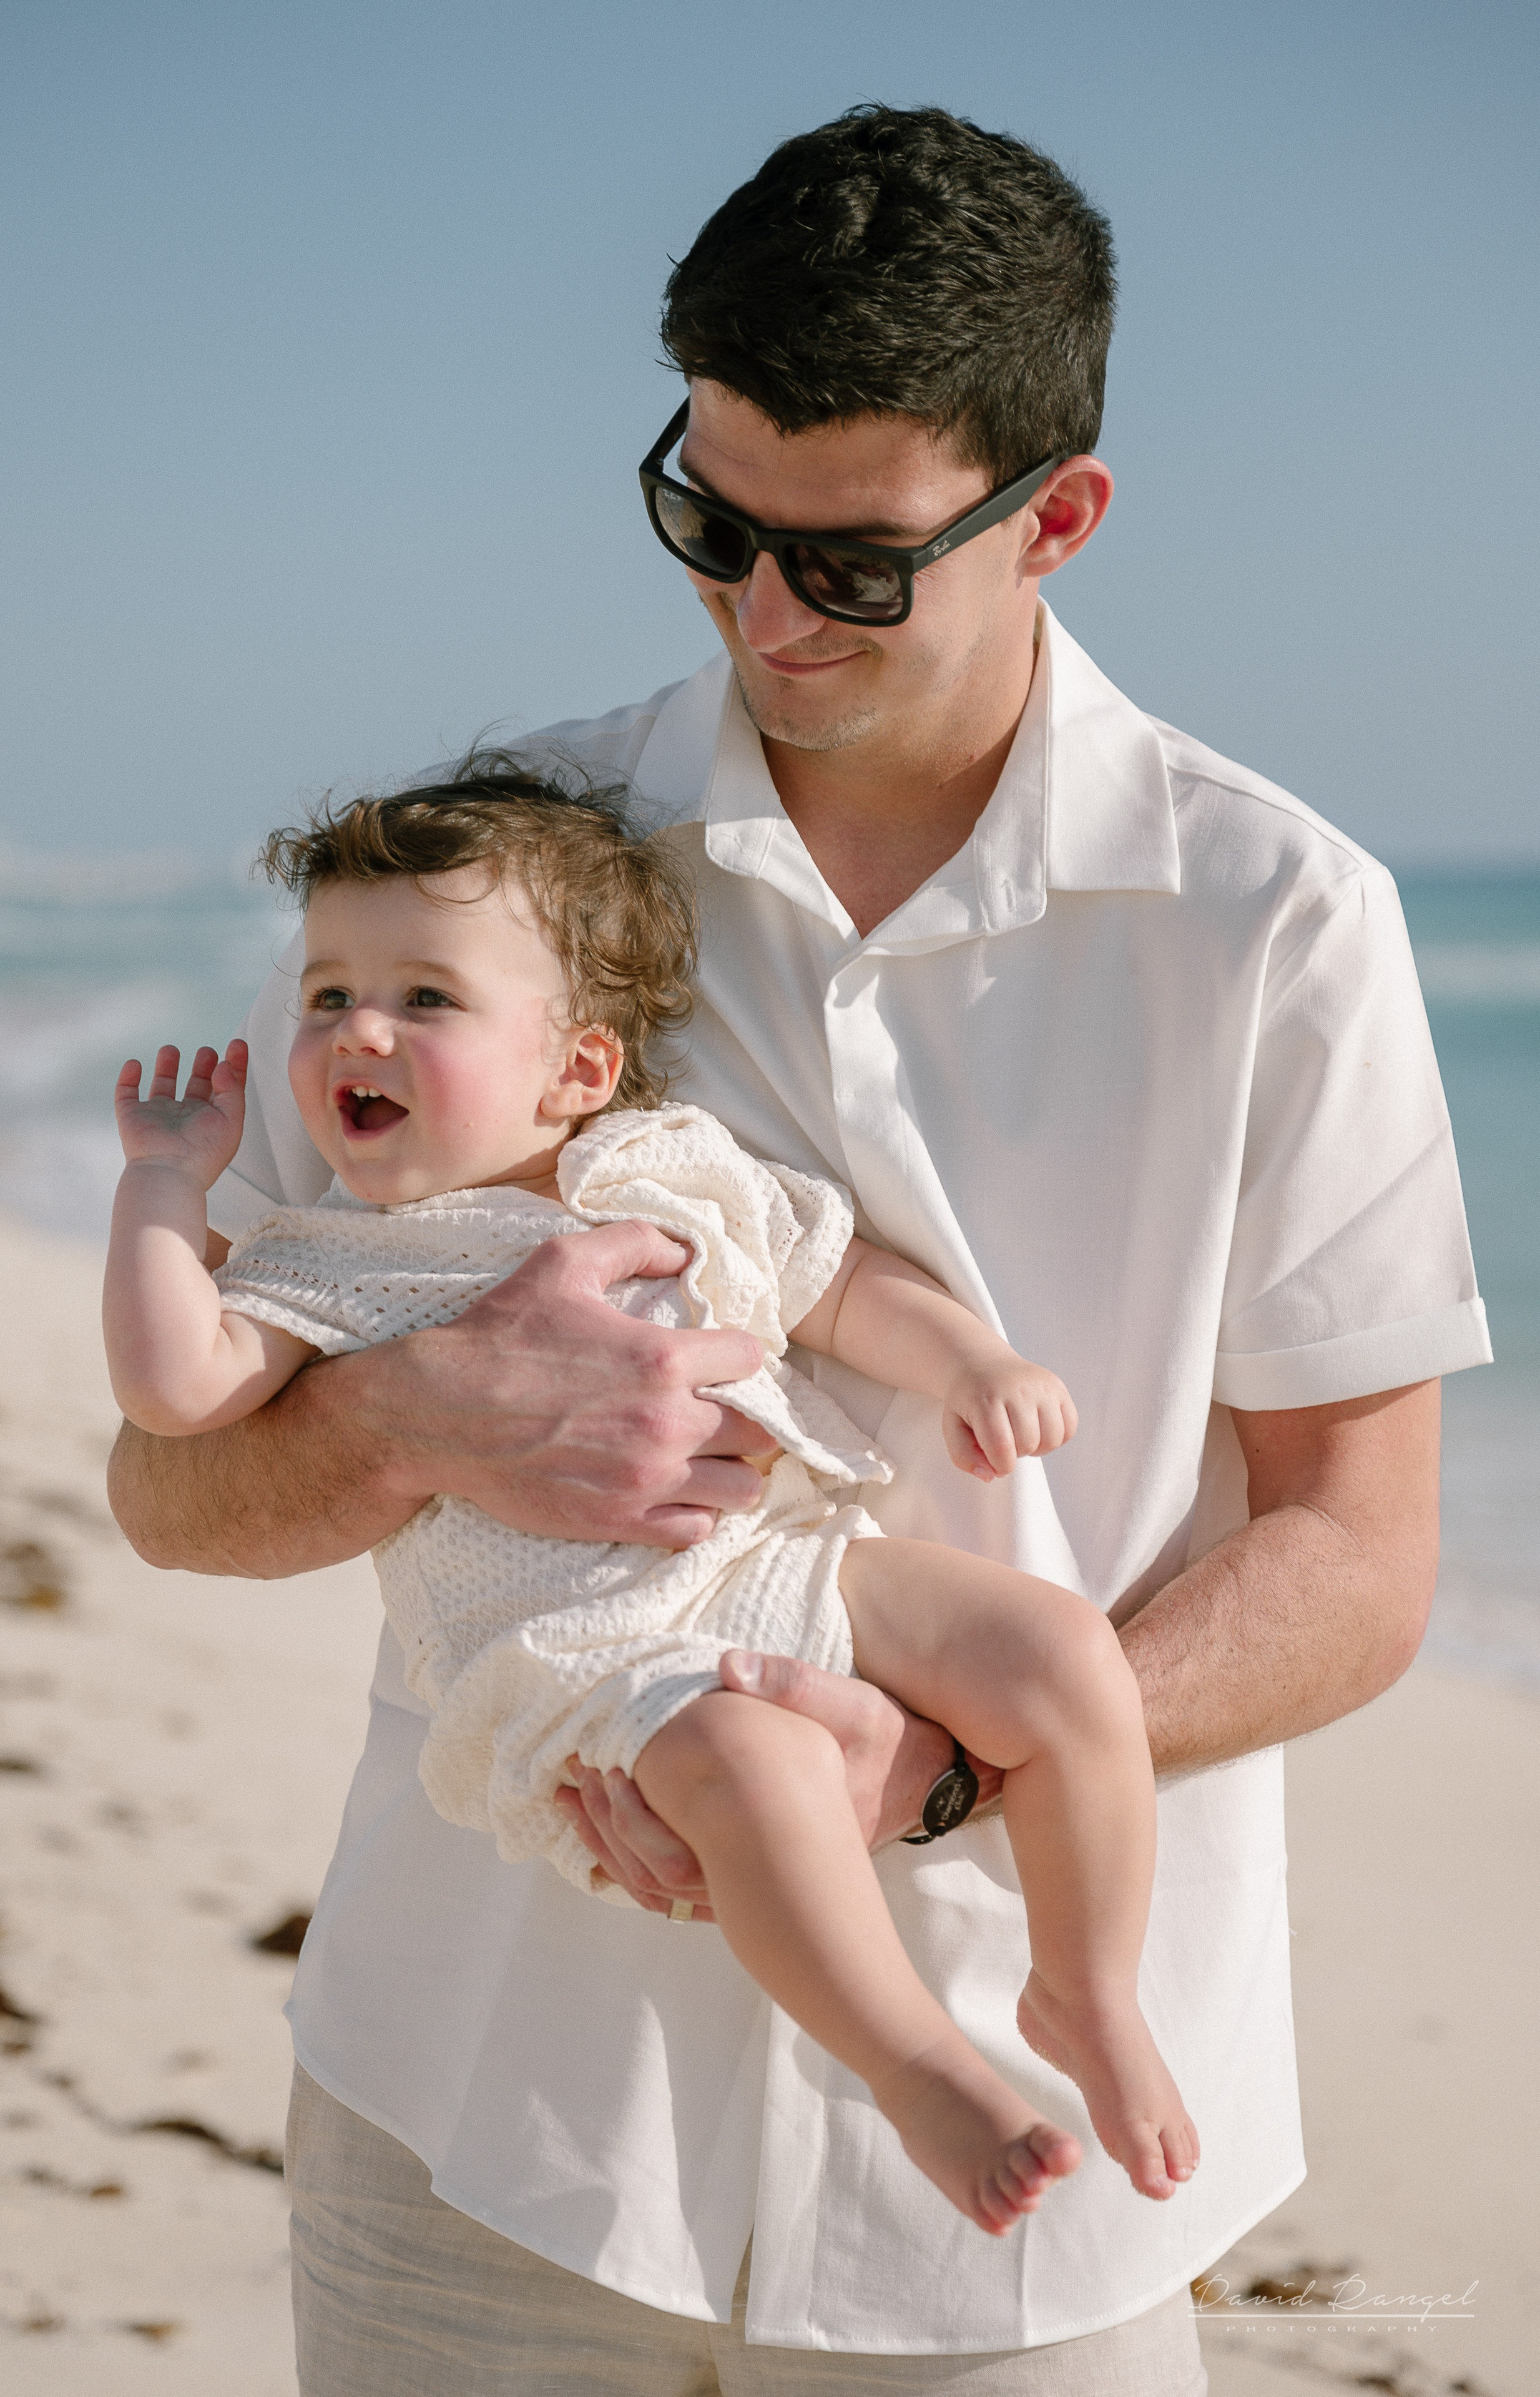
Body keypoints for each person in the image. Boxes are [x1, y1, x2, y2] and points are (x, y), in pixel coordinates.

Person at [107, 105, 1489, 2396]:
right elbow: (175, 1487)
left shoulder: (1279, 918)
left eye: (848, 565)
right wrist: (394, 1419)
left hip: (1026, 2199)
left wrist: (937, 1770)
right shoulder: (470, 901)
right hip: (479, 2111)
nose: (762, 616)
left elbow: (1358, 1557)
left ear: (1057, 518)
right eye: (707, 522)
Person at [102, 765, 1197, 2233]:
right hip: (588, 1654)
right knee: (757, 1774)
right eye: (327, 996)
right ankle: (922, 2063)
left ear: (579, 1070)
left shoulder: (670, 1171)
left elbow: (833, 1281)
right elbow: (179, 1393)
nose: (356, 1028)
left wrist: (971, 1362)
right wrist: (164, 1192)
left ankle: (1085, 1993)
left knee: (1059, 1652)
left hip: (792, 1554)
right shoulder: (336, 1257)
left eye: (426, 999)